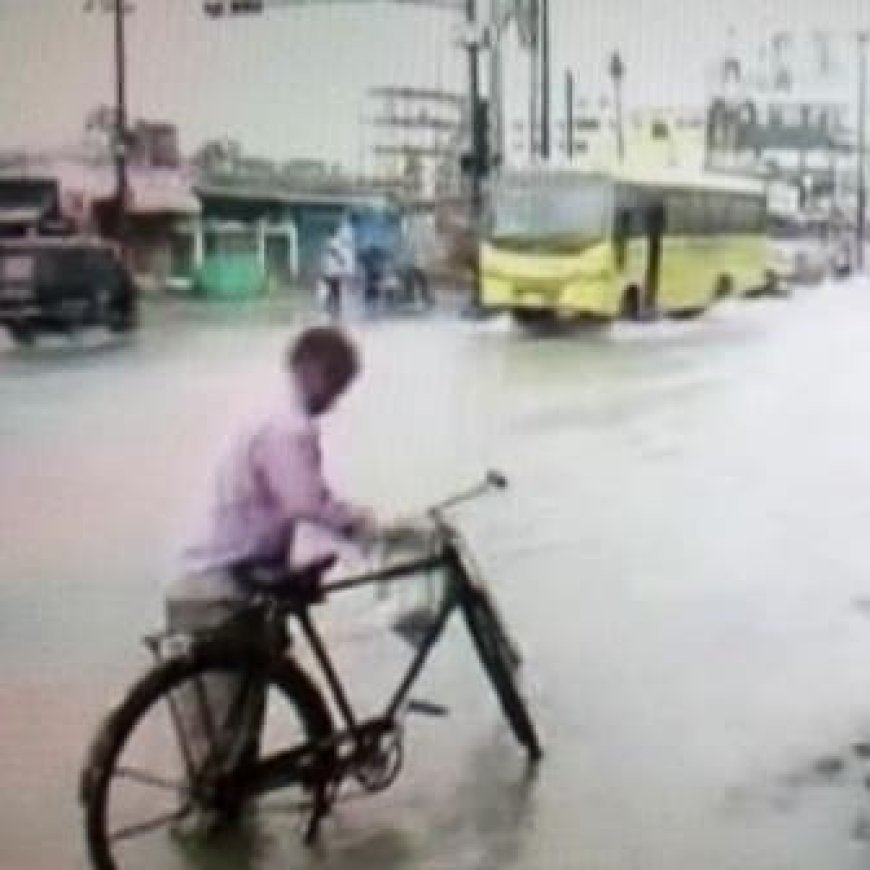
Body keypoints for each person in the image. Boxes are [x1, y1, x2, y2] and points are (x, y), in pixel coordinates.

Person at [166, 326, 377, 833]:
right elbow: (305, 502)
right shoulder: (289, 428)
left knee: (207, 743)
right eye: (338, 386)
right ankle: (218, 836)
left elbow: (282, 504)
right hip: (224, 589)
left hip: (200, 576)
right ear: (316, 374)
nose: (336, 401)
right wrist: (362, 524)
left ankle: (213, 841)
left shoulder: (262, 413)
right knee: (224, 757)